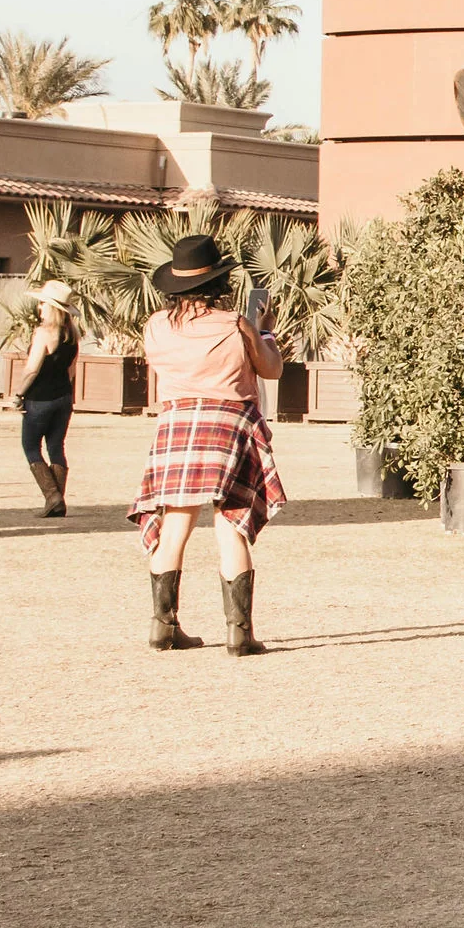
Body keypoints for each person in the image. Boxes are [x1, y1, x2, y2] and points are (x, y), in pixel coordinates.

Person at [129, 233, 285, 653]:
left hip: (176, 425)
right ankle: (239, 633)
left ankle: (163, 626)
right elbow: (271, 370)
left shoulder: (155, 326)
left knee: (174, 526)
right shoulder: (236, 324)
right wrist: (265, 332)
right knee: (230, 525)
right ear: (218, 281)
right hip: (228, 424)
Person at [12, 288, 80, 516]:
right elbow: (71, 370)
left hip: (40, 398)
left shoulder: (43, 333)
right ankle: (57, 501)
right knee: (56, 446)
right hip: (63, 396)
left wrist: (18, 394)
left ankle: (53, 497)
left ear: (51, 307)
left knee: (31, 446)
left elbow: (32, 369)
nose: (39, 307)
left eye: (42, 303)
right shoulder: (72, 334)